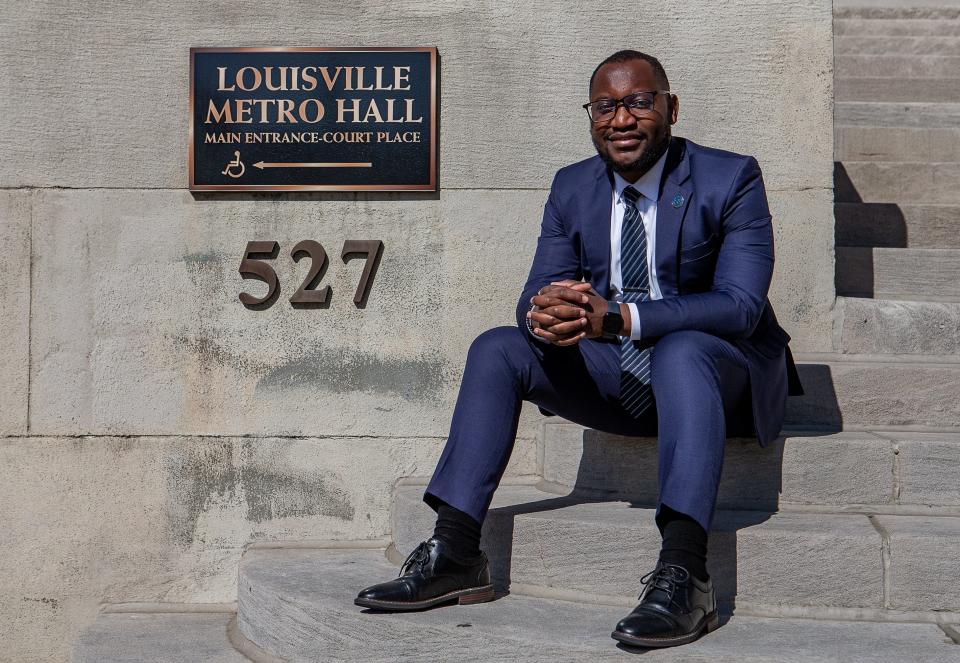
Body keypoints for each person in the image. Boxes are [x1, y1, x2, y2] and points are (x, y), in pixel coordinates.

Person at [355, 49, 803, 649]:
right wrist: (550, 315)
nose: (621, 120)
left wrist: (619, 317)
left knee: (681, 349)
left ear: (670, 107)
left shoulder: (729, 177)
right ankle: (457, 552)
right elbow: (537, 289)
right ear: (591, 116)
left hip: (721, 383)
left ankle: (685, 574)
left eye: (639, 103)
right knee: (497, 348)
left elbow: (740, 306)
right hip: (621, 381)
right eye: (605, 107)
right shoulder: (572, 187)